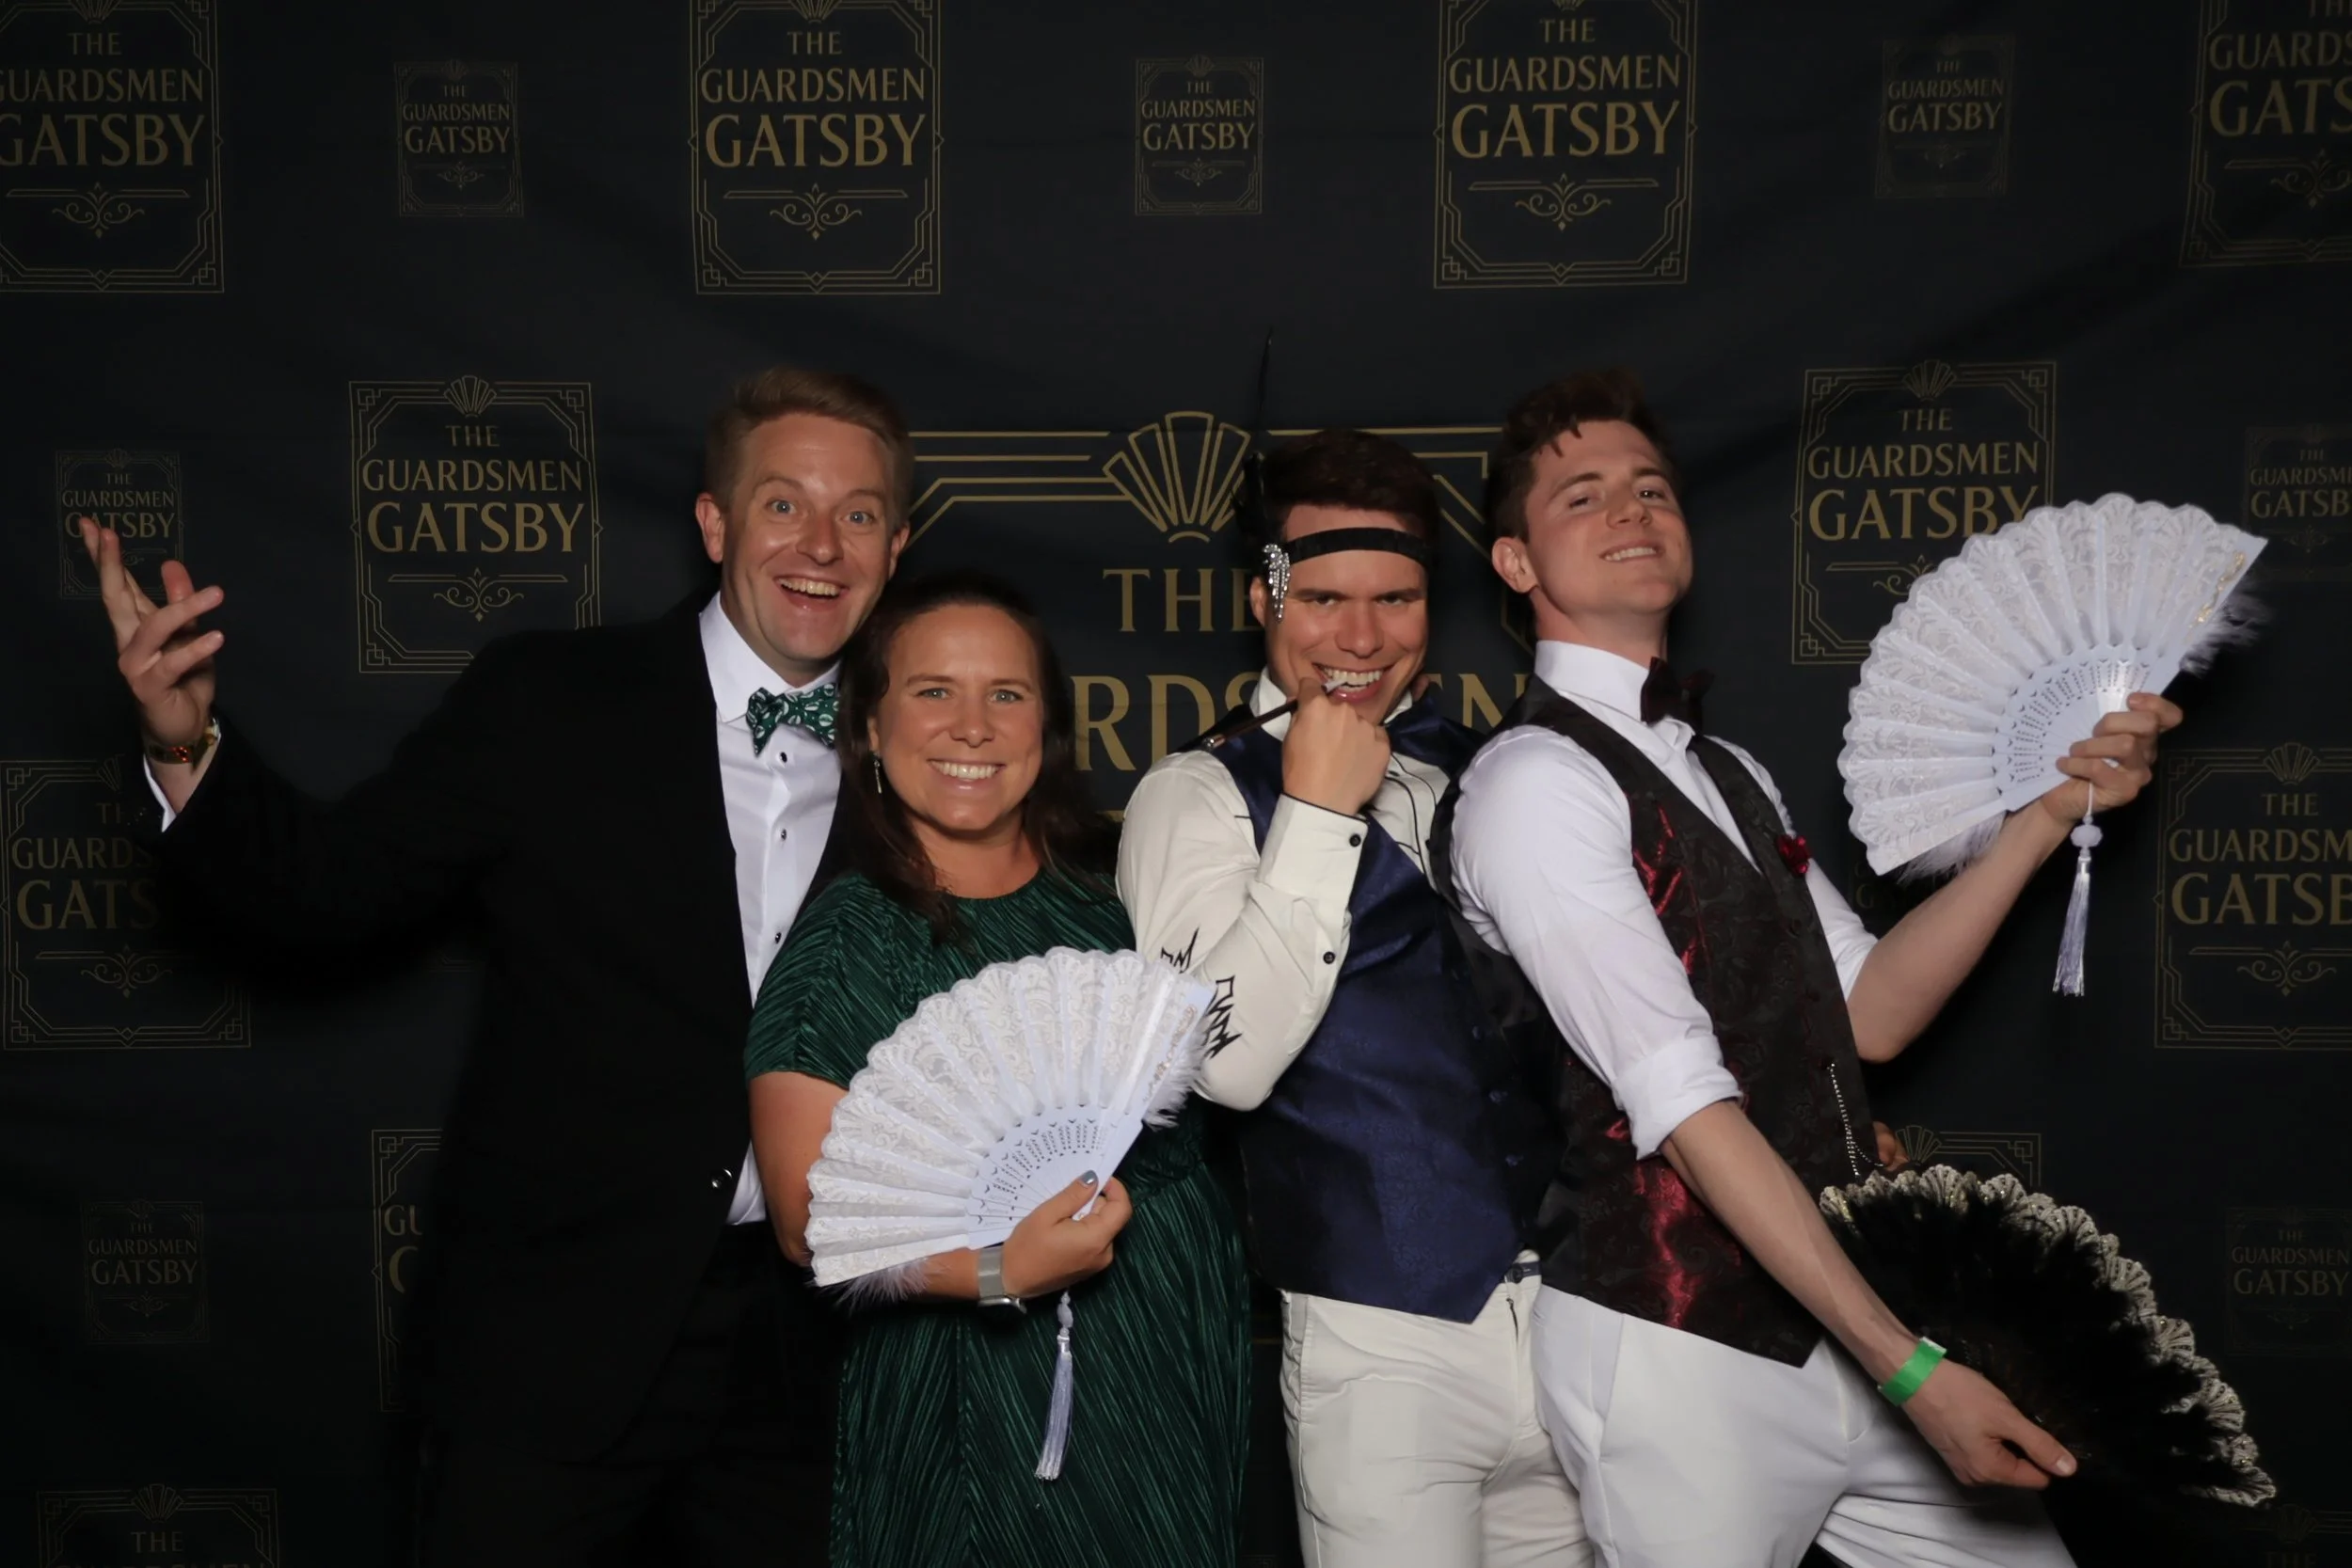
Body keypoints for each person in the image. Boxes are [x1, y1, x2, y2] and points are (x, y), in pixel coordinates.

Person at [77, 366, 914, 1566]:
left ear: (896, 545)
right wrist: (187, 740)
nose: (821, 545)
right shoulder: (551, 701)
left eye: (861, 513)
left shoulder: (926, 752)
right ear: (715, 523)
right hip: (551, 1342)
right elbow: (327, 892)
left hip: (808, 1361)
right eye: (783, 504)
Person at [1439, 369, 2181, 1568]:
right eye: (1583, 497)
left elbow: (1870, 1012)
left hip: (1846, 1307)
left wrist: (2042, 817)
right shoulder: (1531, 784)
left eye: (1650, 488)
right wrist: (1913, 1368)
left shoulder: (1729, 765)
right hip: (1677, 1343)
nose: (1631, 510)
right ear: (1517, 565)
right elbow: (1678, 1100)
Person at [1118, 430, 1585, 1568]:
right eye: (1322, 595)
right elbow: (1219, 1064)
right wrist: (1318, 816)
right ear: (1263, 598)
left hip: (1584, 1318)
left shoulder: (1492, 769)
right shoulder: (1193, 795)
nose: (1362, 636)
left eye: (1397, 596)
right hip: (1384, 1343)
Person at [746, 573, 1251, 1568]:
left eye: (1006, 694)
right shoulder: (847, 944)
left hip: (1168, 1346)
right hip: (968, 1383)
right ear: (873, 733)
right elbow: (812, 1227)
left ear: (1048, 726)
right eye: (933, 691)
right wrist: (999, 1270)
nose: (971, 726)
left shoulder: (1123, 903)